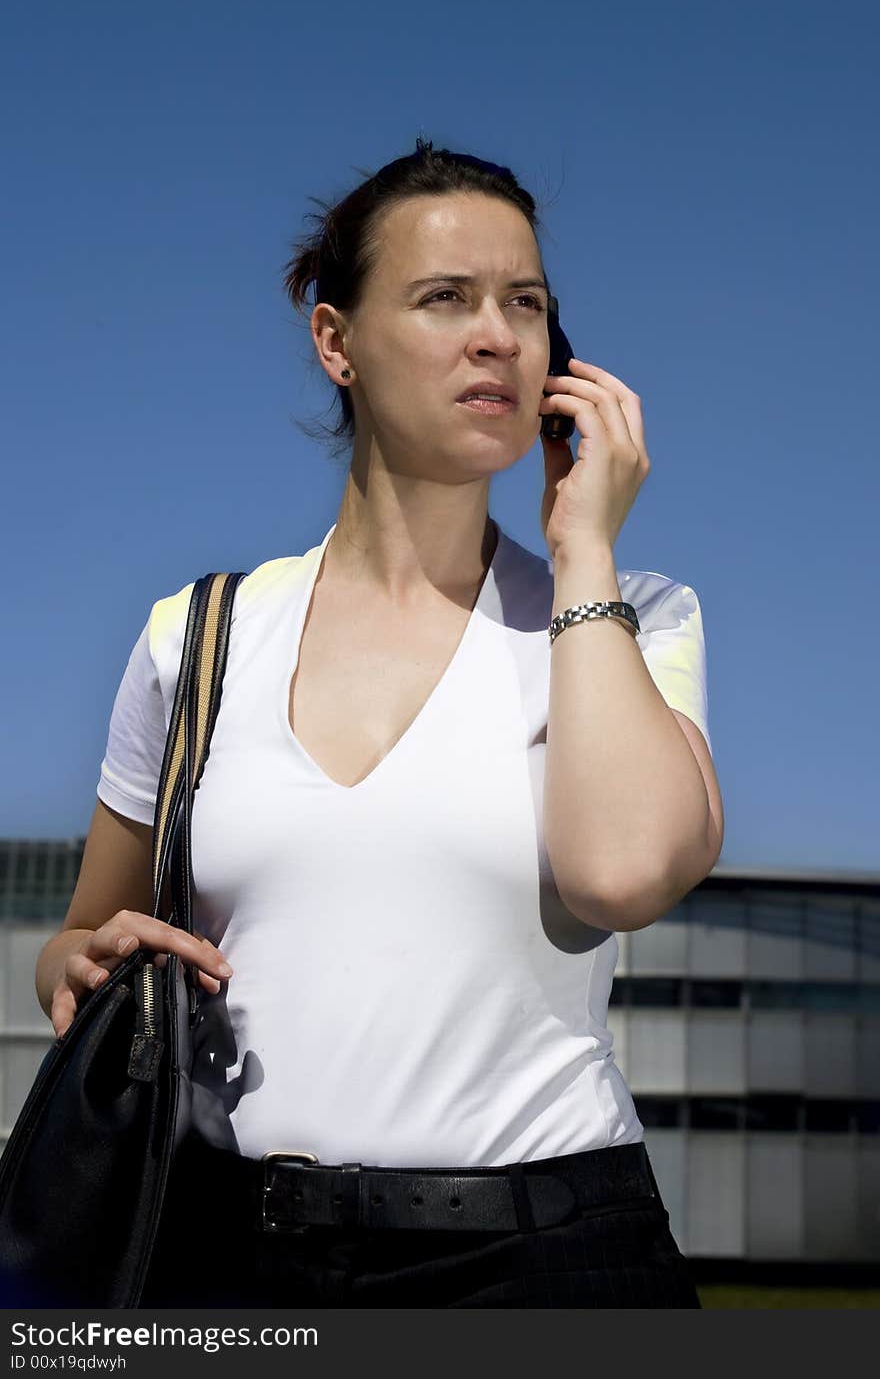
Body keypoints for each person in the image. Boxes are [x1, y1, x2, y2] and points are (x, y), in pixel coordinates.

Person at [34, 138, 723, 1309]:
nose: (498, 335)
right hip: (232, 1256)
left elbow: (617, 875)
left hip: (550, 1254)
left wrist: (584, 550)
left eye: (527, 303)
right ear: (336, 341)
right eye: (446, 297)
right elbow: (83, 935)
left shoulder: (630, 618)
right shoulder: (193, 640)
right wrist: (80, 960)